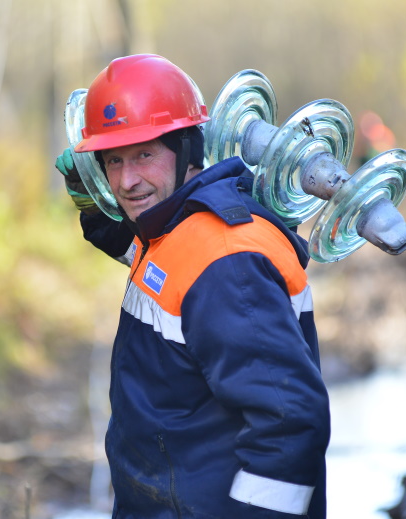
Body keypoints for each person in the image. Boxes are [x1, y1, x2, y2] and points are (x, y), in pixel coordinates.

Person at [58, 54, 331, 518]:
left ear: (187, 150)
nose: (126, 180)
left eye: (144, 154)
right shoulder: (176, 230)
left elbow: (288, 423)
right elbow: (147, 255)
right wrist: (91, 201)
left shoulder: (227, 261)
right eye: (112, 161)